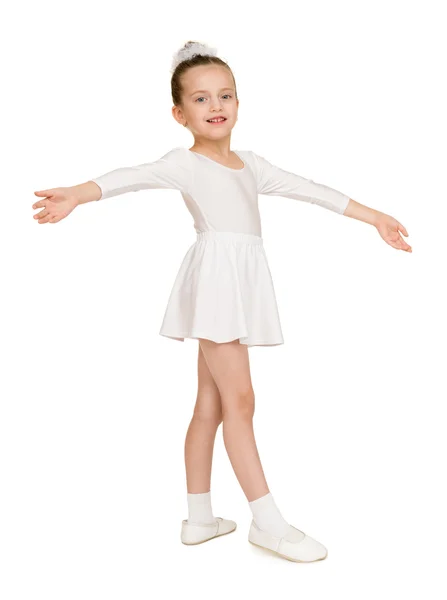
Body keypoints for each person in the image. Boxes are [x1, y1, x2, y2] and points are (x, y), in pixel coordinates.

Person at [31, 40, 412, 563]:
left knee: (210, 404)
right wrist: (78, 191)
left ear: (238, 102)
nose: (216, 106)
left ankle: (200, 518)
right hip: (215, 283)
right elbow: (131, 177)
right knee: (242, 402)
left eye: (225, 95)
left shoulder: (251, 165)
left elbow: (311, 190)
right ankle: (270, 523)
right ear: (179, 112)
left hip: (234, 283)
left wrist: (377, 218)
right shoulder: (183, 163)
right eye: (201, 98)